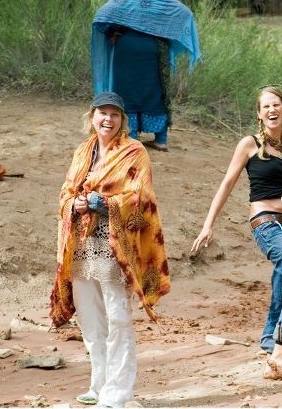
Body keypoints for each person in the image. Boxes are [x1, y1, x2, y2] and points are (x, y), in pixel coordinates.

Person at [49, 92, 171, 408]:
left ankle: (117, 394)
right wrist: (74, 203)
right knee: (90, 319)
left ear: (122, 120)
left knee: (117, 318)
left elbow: (141, 198)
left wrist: (102, 203)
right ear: (92, 117)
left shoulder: (134, 152)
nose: (108, 119)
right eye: (102, 113)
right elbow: (65, 192)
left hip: (115, 246)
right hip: (81, 245)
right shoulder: (83, 151)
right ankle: (99, 385)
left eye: (115, 114)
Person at [191, 85, 282, 380]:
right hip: (266, 222)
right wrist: (208, 224)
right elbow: (227, 184)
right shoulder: (249, 144)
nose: (272, 110)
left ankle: (271, 349)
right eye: (266, 106)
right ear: (259, 114)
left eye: (276, 105)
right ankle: (280, 354)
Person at [91, 0, 201, 152]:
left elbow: (102, 15)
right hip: (155, 50)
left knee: (127, 91)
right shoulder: (163, 0)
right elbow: (185, 14)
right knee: (156, 91)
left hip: (126, 49)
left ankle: (132, 135)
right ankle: (161, 139)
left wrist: (111, 32)